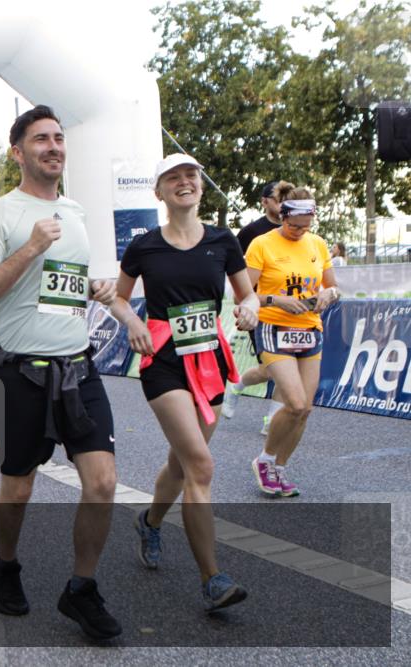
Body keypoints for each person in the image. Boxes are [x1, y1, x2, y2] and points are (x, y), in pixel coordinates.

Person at [0, 105, 121, 640]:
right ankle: (4, 564)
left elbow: (70, 283)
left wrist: (99, 290)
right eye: (40, 139)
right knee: (18, 489)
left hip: (78, 367)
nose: (53, 146)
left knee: (102, 483)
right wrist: (32, 246)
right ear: (18, 152)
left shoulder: (77, 211)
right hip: (20, 375)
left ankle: (82, 589)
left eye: (58, 138)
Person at [112, 153, 258, 612]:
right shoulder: (145, 247)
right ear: (159, 192)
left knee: (181, 464)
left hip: (211, 360)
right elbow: (118, 298)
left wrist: (250, 307)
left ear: (200, 186)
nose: (184, 182)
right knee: (201, 464)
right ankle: (213, 579)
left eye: (191, 175)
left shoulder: (223, 241)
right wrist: (131, 322)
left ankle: (150, 522)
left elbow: (246, 292)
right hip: (163, 361)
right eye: (172, 178)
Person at [245, 183, 339, 497]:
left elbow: (333, 287)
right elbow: (244, 295)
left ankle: (280, 468)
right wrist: (277, 301)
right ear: (282, 217)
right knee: (294, 402)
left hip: (310, 329)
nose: (299, 231)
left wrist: (328, 294)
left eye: (305, 226)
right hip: (273, 328)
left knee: (305, 409)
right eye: (293, 226)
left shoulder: (318, 244)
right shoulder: (262, 244)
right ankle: (265, 459)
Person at [223, 181, 292, 432]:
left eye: (287, 198)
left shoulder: (295, 231)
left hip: (292, 311)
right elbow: (235, 271)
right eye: (277, 198)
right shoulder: (251, 232)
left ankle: (271, 422)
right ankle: (238, 385)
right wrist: (242, 302)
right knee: (272, 369)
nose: (282, 203)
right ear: (264, 202)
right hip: (259, 310)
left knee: (287, 366)